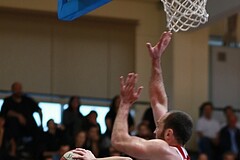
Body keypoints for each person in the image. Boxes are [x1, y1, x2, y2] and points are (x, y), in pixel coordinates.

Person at [111, 31, 193, 160]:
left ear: (169, 134)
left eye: (158, 126)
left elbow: (120, 141)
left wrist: (125, 104)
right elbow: (158, 101)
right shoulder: (178, 153)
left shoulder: (165, 150)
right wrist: (156, 60)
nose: (154, 131)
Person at [0, 82, 42, 159]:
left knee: (39, 134)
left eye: (19, 88)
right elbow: (5, 113)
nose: (18, 90)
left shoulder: (28, 101)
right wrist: (18, 116)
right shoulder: (8, 101)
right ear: (12, 90)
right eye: (16, 89)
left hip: (29, 126)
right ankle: (13, 147)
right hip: (13, 128)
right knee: (13, 123)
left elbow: (38, 110)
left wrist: (41, 124)